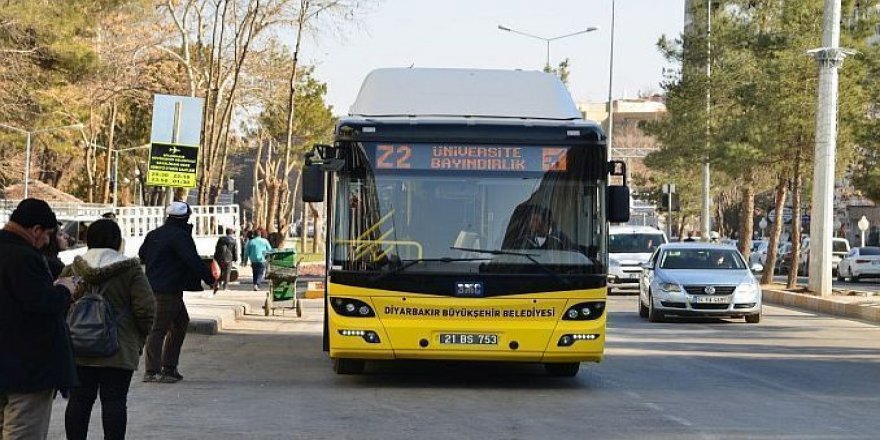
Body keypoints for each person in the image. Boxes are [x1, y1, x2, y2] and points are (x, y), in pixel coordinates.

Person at [62, 219, 155, 440]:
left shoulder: (72, 268)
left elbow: (59, 303)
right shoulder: (130, 271)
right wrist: (138, 338)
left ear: (88, 240)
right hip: (119, 348)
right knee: (114, 401)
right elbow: (146, 309)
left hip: (77, 348)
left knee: (79, 401)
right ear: (117, 241)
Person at [0, 198, 79, 439]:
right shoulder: (24, 257)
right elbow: (41, 303)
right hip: (28, 367)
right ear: (36, 230)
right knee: (23, 431)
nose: (47, 242)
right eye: (48, 235)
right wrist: (64, 289)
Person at [138, 201, 215, 384]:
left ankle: (169, 367)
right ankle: (152, 371)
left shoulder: (155, 234)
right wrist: (209, 278)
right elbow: (192, 260)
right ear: (186, 217)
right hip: (167, 290)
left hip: (159, 287)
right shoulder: (181, 236)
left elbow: (142, 254)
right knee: (158, 329)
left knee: (180, 324)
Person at [507, 206, 573, 251]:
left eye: (535, 220)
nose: (530, 223)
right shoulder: (523, 240)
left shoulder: (562, 239)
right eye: (530, 220)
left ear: (545, 222)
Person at [212, 228, 238, 294]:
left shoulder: (220, 239)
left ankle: (218, 283)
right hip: (229, 259)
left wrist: (215, 257)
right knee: (227, 273)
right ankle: (225, 286)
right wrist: (235, 259)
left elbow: (217, 248)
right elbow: (235, 251)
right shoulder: (233, 241)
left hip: (219, 258)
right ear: (232, 233)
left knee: (219, 271)